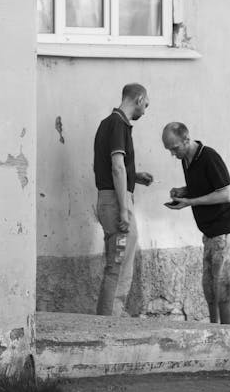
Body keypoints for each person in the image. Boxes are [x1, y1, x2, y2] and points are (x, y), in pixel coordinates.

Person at [162, 122, 230, 324]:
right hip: (209, 233)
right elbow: (204, 187)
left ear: (186, 140)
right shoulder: (186, 160)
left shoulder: (209, 157)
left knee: (225, 292)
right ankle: (215, 335)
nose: (173, 154)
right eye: (169, 150)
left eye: (175, 148)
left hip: (226, 231)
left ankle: (229, 341)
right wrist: (184, 191)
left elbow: (226, 194)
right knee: (210, 290)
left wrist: (190, 202)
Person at [93, 83, 153, 316]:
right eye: (145, 105)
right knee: (118, 271)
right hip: (117, 202)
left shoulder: (107, 123)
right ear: (138, 99)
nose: (145, 111)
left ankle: (107, 323)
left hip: (108, 200)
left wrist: (134, 177)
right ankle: (110, 328)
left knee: (115, 268)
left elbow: (110, 167)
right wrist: (124, 210)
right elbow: (117, 168)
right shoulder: (119, 123)